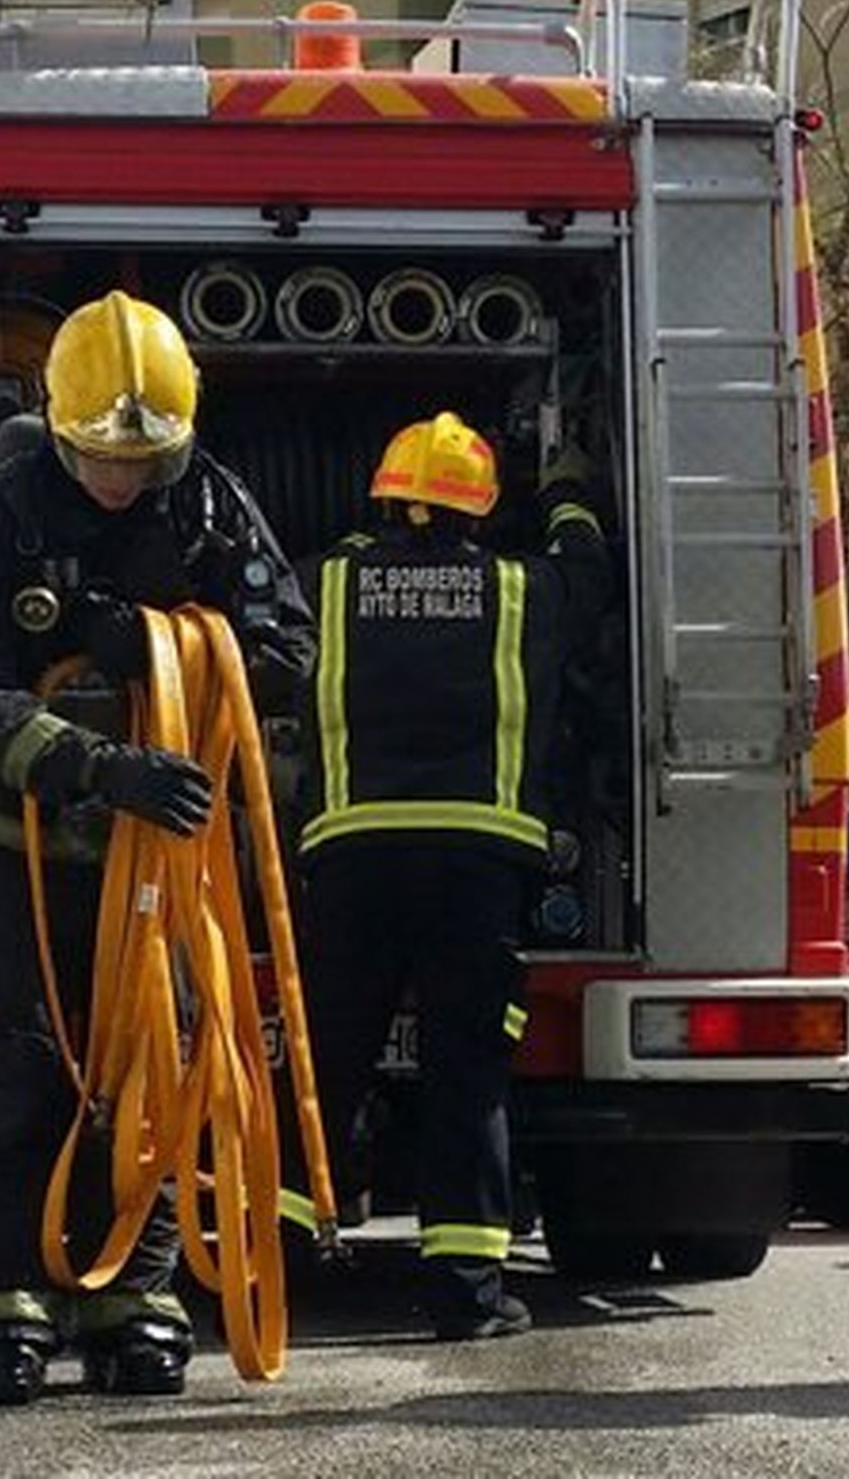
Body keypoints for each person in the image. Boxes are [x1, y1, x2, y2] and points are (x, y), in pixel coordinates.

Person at [0, 290, 315, 1405]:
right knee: (27, 1071)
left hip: (167, 856)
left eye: (142, 459)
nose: (120, 479)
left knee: (159, 1071)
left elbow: (284, 644)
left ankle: (134, 1302)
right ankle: (2, 1308)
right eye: (100, 456)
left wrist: (166, 654)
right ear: (60, 427)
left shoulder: (206, 501)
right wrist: (95, 764)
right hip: (29, 851)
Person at [297, 409, 610, 1341]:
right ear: (481, 513)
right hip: (477, 864)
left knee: (325, 1064)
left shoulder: (331, 582)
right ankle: (467, 1295)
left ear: (387, 503)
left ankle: (263, 1270)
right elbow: (589, 572)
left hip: (352, 860)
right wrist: (564, 495)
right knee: (466, 1074)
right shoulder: (524, 590)